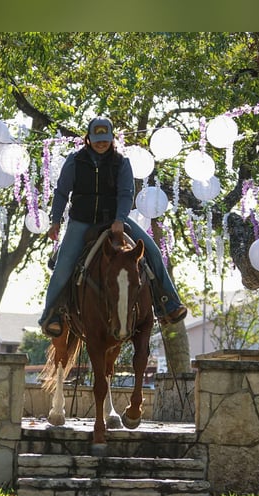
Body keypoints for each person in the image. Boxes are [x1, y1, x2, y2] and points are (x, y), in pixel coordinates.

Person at [39, 116, 187, 337]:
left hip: (115, 220)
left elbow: (126, 193)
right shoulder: (74, 161)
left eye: (105, 139)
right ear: (88, 138)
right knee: (62, 267)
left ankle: (168, 303)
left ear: (111, 139)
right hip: (82, 221)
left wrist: (119, 219)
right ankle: (52, 315)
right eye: (97, 139)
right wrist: (56, 221)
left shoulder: (121, 162)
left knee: (153, 252)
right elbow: (61, 192)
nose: (101, 143)